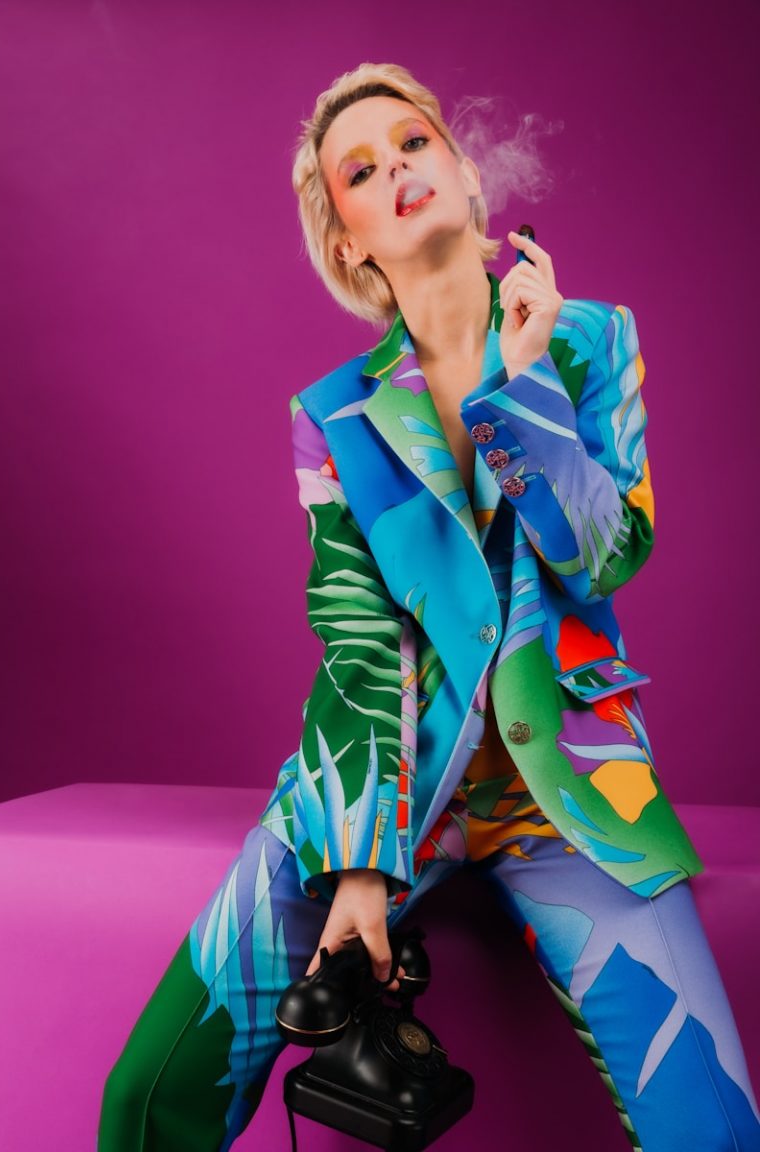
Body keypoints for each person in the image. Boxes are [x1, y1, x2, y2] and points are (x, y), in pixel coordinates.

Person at [97, 62, 760, 1152]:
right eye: (362, 170)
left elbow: (605, 557)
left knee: (711, 1129)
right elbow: (359, 641)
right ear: (350, 242)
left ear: (462, 171)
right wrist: (362, 862)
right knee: (151, 1092)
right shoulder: (334, 419)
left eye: (414, 144)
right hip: (383, 784)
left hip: (569, 797)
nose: (399, 168)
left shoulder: (593, 340)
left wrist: (526, 383)